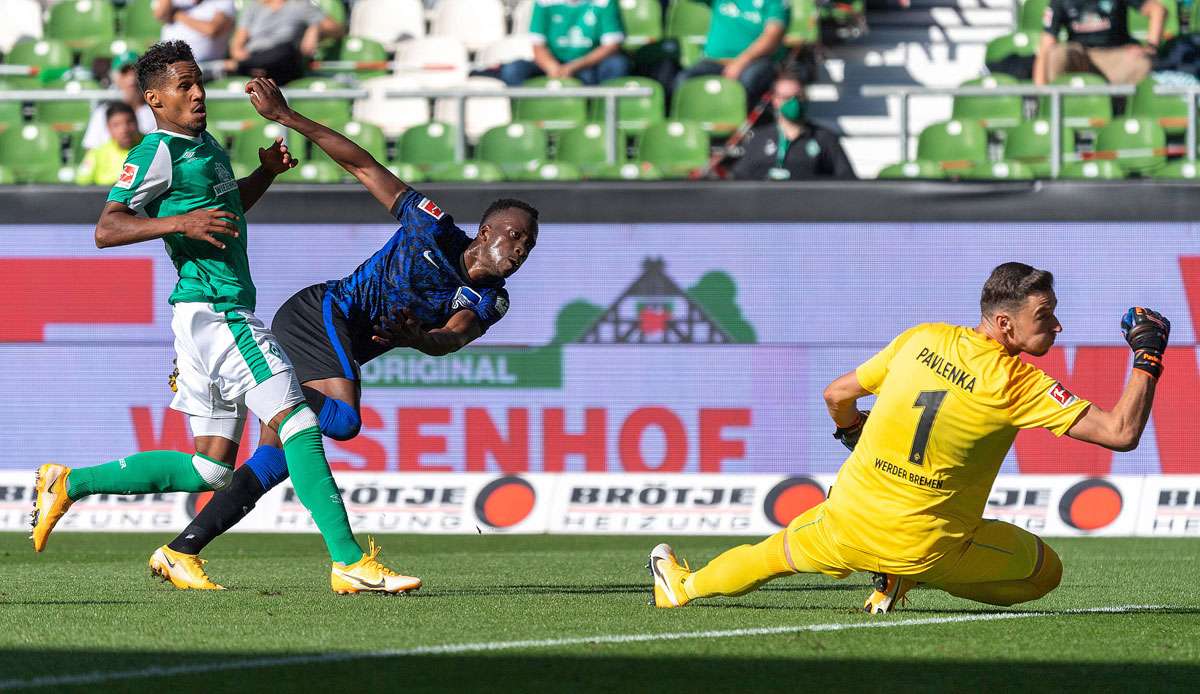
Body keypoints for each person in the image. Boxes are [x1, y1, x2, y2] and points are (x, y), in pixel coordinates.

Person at [29, 40, 416, 596]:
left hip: (200, 318)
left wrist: (262, 177)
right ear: (155, 99)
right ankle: (350, 561)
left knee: (210, 469)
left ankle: (71, 482)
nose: (198, 93)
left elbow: (223, 214)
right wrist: (177, 224)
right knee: (299, 423)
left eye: (199, 82)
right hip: (219, 312)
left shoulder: (205, 145)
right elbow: (106, 229)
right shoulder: (155, 151)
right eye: (184, 86)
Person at [148, 77, 539, 590]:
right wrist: (287, 118)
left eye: (528, 245)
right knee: (346, 421)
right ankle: (256, 389)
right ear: (485, 233)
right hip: (321, 312)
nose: (519, 249)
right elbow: (362, 165)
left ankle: (181, 551)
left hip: (336, 344)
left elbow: (451, 338)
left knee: (273, 461)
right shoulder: (431, 227)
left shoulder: (491, 300)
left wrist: (421, 338)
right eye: (512, 236)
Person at [649, 262, 1169, 613]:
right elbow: (1120, 433)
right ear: (1006, 325)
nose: (1056, 326)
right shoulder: (1018, 383)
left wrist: (853, 431)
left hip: (846, 523)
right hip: (930, 549)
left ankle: (681, 588)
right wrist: (1146, 357)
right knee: (1044, 573)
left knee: (771, 554)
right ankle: (906, 578)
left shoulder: (923, 339)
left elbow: (835, 395)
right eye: (1045, 315)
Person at [665, 0, 790, 107]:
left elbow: (772, 36)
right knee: (684, 80)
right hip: (715, 61)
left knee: (748, 82)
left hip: (755, 62)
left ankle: (747, 129)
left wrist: (740, 63)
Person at [729, 74, 855, 181]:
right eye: (787, 98)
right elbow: (739, 178)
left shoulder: (824, 138)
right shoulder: (759, 138)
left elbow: (847, 181)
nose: (794, 103)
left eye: (798, 97)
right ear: (775, 100)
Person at [489, 0, 631, 86]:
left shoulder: (604, 2)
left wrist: (572, 67)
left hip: (589, 62)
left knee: (616, 64)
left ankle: (601, 116)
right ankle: (524, 118)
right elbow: (538, 45)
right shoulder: (545, 2)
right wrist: (553, 68)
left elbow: (611, 45)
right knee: (513, 70)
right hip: (554, 61)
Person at [1034, 0, 1166, 85]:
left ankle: (1126, 113)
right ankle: (1054, 109)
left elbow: (1157, 10)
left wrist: (1151, 47)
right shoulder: (1059, 2)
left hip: (1116, 56)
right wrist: (1041, 89)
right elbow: (1046, 44)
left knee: (1142, 63)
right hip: (1081, 57)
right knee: (1056, 54)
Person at [225, 0, 345, 85]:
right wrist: (241, 56)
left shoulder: (301, 5)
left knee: (285, 50)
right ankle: (255, 66)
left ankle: (243, 67)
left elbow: (337, 29)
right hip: (254, 56)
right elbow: (237, 45)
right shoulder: (253, 7)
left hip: (284, 59)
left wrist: (315, 28)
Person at [81, 51, 156, 151]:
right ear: (115, 78)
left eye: (136, 72)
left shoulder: (158, 110)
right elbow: (91, 150)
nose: (131, 78)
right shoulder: (102, 112)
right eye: (124, 73)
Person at [75, 103, 143, 186]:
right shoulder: (97, 152)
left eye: (129, 122)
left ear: (137, 122)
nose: (124, 129)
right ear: (108, 128)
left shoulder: (151, 147)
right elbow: (82, 183)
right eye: (116, 125)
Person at [155, 0, 238, 63]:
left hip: (205, 65)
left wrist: (178, 14)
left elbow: (211, 29)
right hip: (168, 60)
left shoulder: (224, 1)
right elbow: (161, 14)